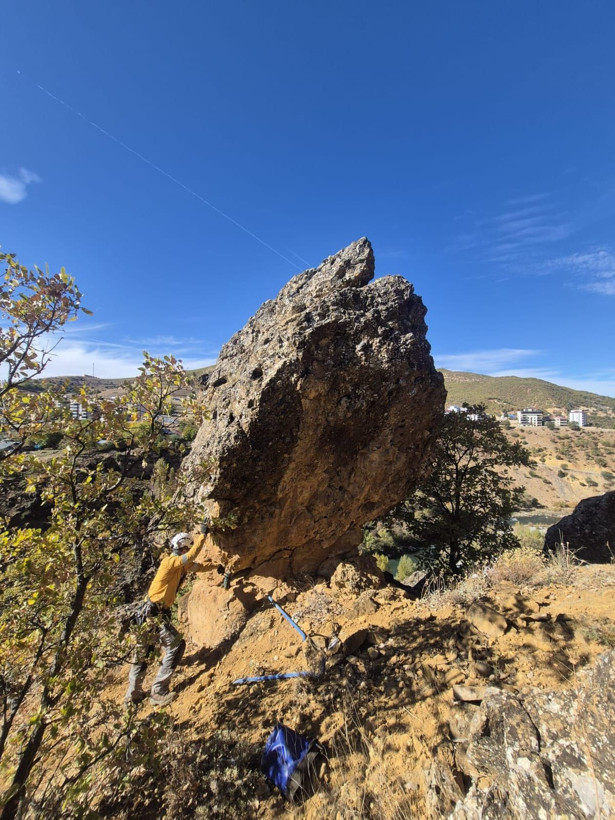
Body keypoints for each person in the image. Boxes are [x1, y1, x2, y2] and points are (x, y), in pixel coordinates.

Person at [124, 523, 217, 707]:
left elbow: (197, 566)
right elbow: (191, 557)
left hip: (151, 613)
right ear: (182, 547)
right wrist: (203, 536)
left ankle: (132, 695)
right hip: (153, 613)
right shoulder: (170, 562)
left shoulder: (179, 566)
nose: (186, 551)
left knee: (144, 652)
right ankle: (158, 692)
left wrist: (217, 566)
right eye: (186, 548)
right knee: (175, 645)